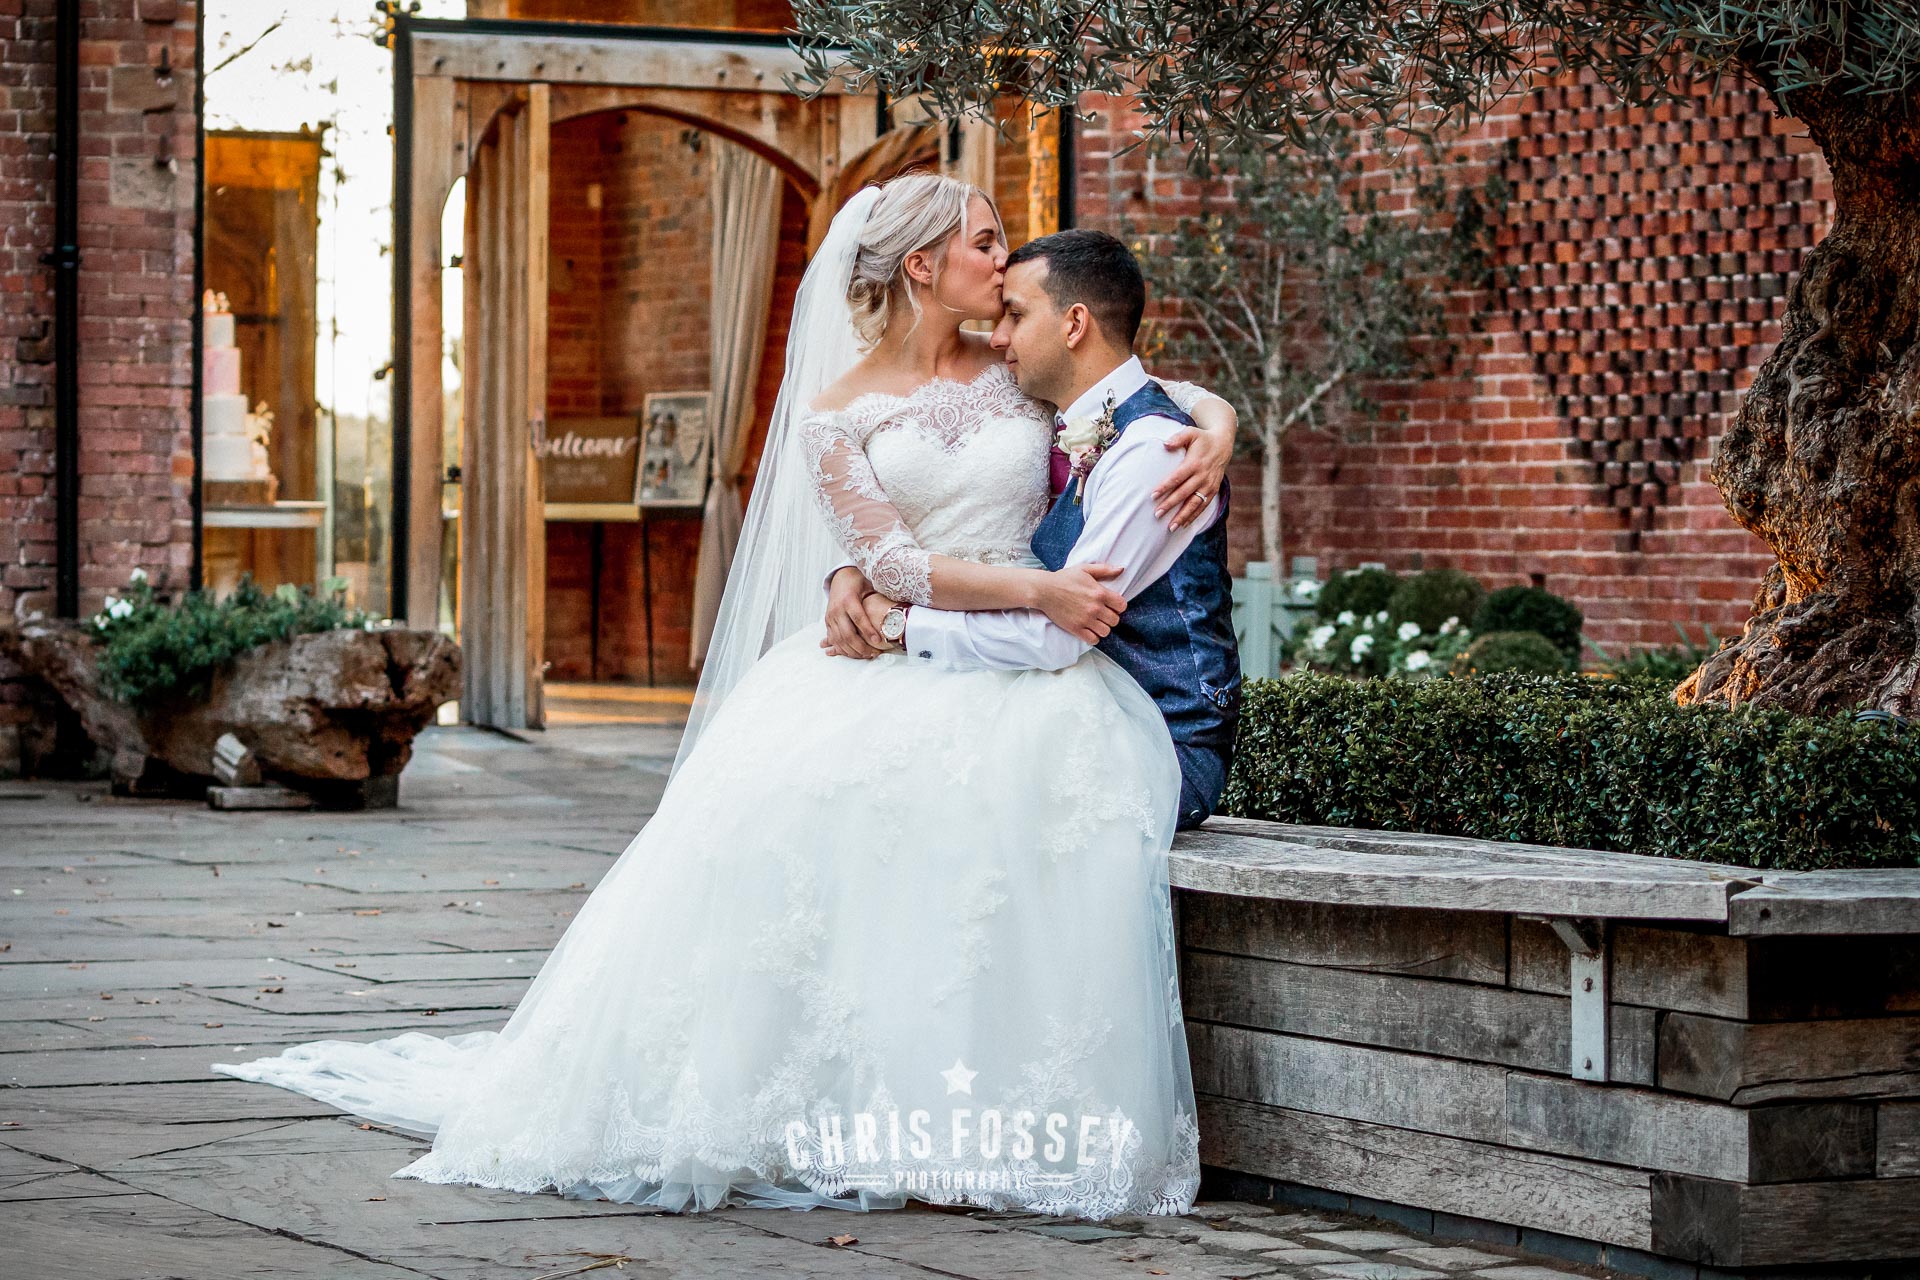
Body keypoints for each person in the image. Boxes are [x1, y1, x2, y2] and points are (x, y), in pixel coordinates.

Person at [213, 173, 1238, 1220]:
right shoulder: (837, 416)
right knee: (798, 819)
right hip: (929, 640)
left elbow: (1132, 391)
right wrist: (888, 583)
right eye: (986, 243)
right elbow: (891, 559)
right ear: (923, 265)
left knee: (988, 822)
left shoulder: (1018, 371)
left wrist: (1221, 421)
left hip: (1015, 663)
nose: (1003, 262)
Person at [820, 228, 1240, 830]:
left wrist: (897, 624)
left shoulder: (1157, 451)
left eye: (1015, 316)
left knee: (941, 800)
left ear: (1074, 325)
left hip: (1161, 746)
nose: (997, 337)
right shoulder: (1076, 416)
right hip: (1079, 702)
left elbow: (1058, 634)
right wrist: (855, 570)